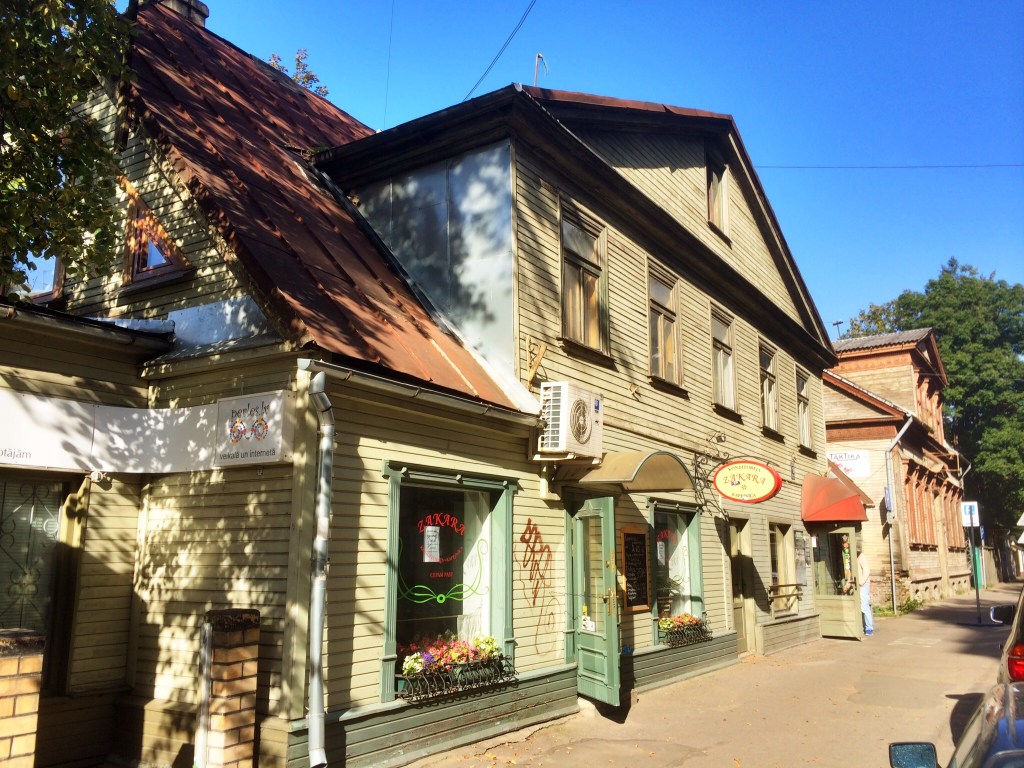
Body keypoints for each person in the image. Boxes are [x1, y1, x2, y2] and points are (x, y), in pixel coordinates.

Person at [858, 543, 874, 635]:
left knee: (864, 606)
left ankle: (869, 628)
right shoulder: (852, 557)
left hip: (863, 585)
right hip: (857, 585)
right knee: (860, 606)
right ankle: (863, 626)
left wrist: (861, 582)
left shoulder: (861, 557)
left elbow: (867, 571)